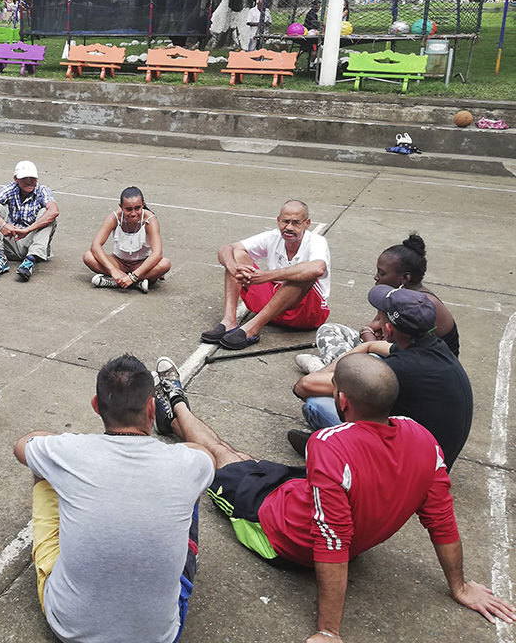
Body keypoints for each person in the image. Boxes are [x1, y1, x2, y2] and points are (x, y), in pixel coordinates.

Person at [152, 353, 515, 643]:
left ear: (341, 400)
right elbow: (441, 518)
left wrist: (329, 631)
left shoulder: (329, 444)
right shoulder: (421, 436)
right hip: (298, 496)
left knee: (217, 457)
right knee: (242, 459)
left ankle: (176, 403)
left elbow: (332, 539)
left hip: (277, 532)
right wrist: (459, 586)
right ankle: (174, 415)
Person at [14, 354, 213, 643]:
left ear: (96, 406)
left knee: (43, 471)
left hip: (70, 629)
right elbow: (205, 454)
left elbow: (22, 445)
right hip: (159, 637)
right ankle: (176, 400)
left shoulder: (70, 453)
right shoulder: (188, 462)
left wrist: (60, 443)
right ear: (151, 407)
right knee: (192, 486)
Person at [291, 286, 473, 471]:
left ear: (388, 329)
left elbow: (304, 386)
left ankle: (338, 449)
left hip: (408, 467)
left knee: (317, 403)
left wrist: (324, 376)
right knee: (370, 362)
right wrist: (362, 349)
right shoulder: (434, 347)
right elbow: (371, 346)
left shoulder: (397, 368)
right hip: (435, 455)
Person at [296, 233, 458, 374]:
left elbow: (394, 347)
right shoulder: (396, 295)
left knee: (369, 360)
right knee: (328, 330)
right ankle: (336, 369)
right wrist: (370, 335)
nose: (376, 277)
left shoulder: (419, 305)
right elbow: (375, 327)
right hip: (396, 350)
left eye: (382, 273)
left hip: (417, 366)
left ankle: (330, 372)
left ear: (405, 278)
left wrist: (369, 337)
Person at [201, 199, 330, 350]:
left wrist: (266, 276)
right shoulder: (272, 237)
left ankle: (252, 328)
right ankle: (229, 321)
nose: (289, 227)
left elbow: (318, 268)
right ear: (278, 220)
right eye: (285, 221)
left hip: (305, 315)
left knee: (304, 272)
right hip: (274, 307)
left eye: (296, 223)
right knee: (236, 255)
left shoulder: (317, 241)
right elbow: (226, 248)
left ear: (307, 224)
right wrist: (232, 266)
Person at [0, 160, 59, 282]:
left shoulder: (42, 190)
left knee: (47, 214)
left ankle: (30, 261)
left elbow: (54, 211)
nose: (29, 181)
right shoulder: (10, 188)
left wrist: (28, 230)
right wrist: (3, 224)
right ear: (16, 179)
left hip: (31, 243)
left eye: (32, 178)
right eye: (25, 178)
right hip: (11, 240)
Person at [84, 187, 170, 293]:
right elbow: (95, 246)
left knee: (165, 264)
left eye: (137, 208)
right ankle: (136, 283)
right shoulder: (113, 218)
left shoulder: (150, 220)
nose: (133, 213)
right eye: (129, 209)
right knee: (88, 257)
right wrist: (113, 270)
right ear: (121, 207)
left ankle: (117, 281)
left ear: (143, 205)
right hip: (118, 263)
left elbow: (157, 253)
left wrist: (134, 276)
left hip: (141, 264)